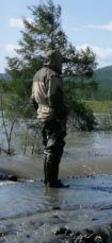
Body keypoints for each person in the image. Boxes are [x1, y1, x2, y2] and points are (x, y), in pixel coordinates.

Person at [31, 49, 69, 188]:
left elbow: (33, 99)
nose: (61, 64)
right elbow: (54, 98)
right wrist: (60, 116)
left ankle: (48, 181)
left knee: (48, 149)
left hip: (43, 116)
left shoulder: (37, 75)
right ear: (54, 60)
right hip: (53, 116)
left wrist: (40, 112)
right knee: (55, 149)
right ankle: (52, 182)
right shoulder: (53, 76)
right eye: (60, 61)